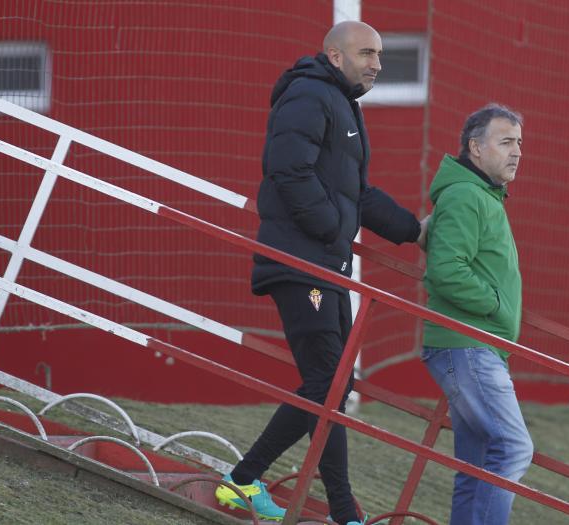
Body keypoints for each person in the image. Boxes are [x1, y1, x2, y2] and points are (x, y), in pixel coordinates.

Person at [214, 21, 428, 525]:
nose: (377, 63)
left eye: (380, 55)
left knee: (332, 385)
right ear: (335, 56)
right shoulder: (311, 94)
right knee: (329, 381)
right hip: (301, 263)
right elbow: (287, 169)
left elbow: (359, 192)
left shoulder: (342, 103)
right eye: (367, 53)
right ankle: (244, 480)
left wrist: (414, 231)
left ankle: (341, 512)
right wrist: (333, 228)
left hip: (324, 264)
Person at [420, 103, 534, 525]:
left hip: (476, 346)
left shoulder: (480, 196)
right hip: (469, 345)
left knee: (481, 461)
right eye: (505, 142)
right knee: (513, 448)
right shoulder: (467, 195)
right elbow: (446, 271)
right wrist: (496, 304)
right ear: (475, 147)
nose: (517, 152)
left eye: (519, 143)